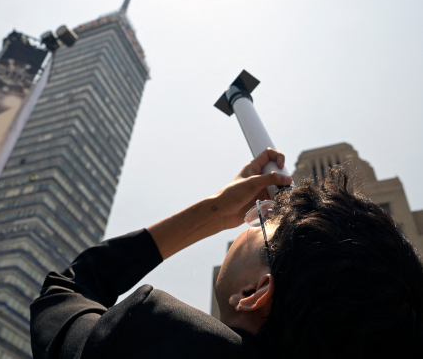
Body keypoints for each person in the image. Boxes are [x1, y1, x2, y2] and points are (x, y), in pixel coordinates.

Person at [30, 149, 423, 359]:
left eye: (264, 224)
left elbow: (66, 291)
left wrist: (213, 211)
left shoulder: (165, 343)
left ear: (254, 293)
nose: (260, 214)